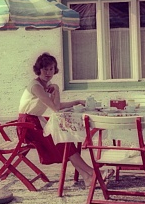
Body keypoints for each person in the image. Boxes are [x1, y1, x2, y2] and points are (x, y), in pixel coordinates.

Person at [17, 52, 112, 187]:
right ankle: (94, 172)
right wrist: (56, 89)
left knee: (65, 140)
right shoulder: (36, 86)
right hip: (28, 127)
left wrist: (77, 101)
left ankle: (87, 177)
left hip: (36, 122)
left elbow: (57, 105)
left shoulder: (45, 84)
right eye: (45, 69)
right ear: (39, 69)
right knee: (62, 140)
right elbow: (55, 108)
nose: (48, 72)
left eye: (51, 69)